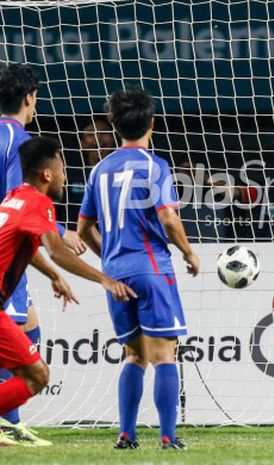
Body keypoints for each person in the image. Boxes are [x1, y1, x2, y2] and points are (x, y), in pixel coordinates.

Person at [77, 87, 200, 451]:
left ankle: (127, 435)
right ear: (152, 122)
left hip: (115, 274)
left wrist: (111, 259)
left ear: (115, 125)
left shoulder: (99, 169)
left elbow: (83, 229)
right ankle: (167, 436)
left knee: (133, 354)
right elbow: (168, 218)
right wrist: (189, 252)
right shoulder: (155, 165)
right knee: (164, 354)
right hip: (151, 269)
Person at [0, 137, 135, 446]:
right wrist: (104, 279)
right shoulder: (38, 202)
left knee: (26, 370)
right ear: (46, 174)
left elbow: (28, 247)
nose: (65, 174)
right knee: (36, 376)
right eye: (61, 167)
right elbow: (57, 250)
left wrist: (53, 276)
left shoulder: (14, 198)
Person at [0, 62, 87, 446]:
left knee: (28, 322)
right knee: (18, 333)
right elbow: (17, 204)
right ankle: (7, 425)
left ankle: (10, 422)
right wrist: (62, 232)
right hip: (6, 246)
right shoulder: (17, 141)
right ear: (29, 98)